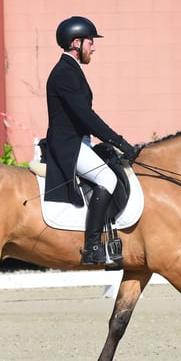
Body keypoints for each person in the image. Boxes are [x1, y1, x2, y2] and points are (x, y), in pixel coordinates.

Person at [44, 16, 139, 266]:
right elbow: (85, 116)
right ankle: (92, 246)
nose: (93, 47)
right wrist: (120, 142)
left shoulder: (71, 70)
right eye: (90, 42)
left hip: (78, 142)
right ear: (76, 43)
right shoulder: (64, 73)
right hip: (68, 146)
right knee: (106, 178)